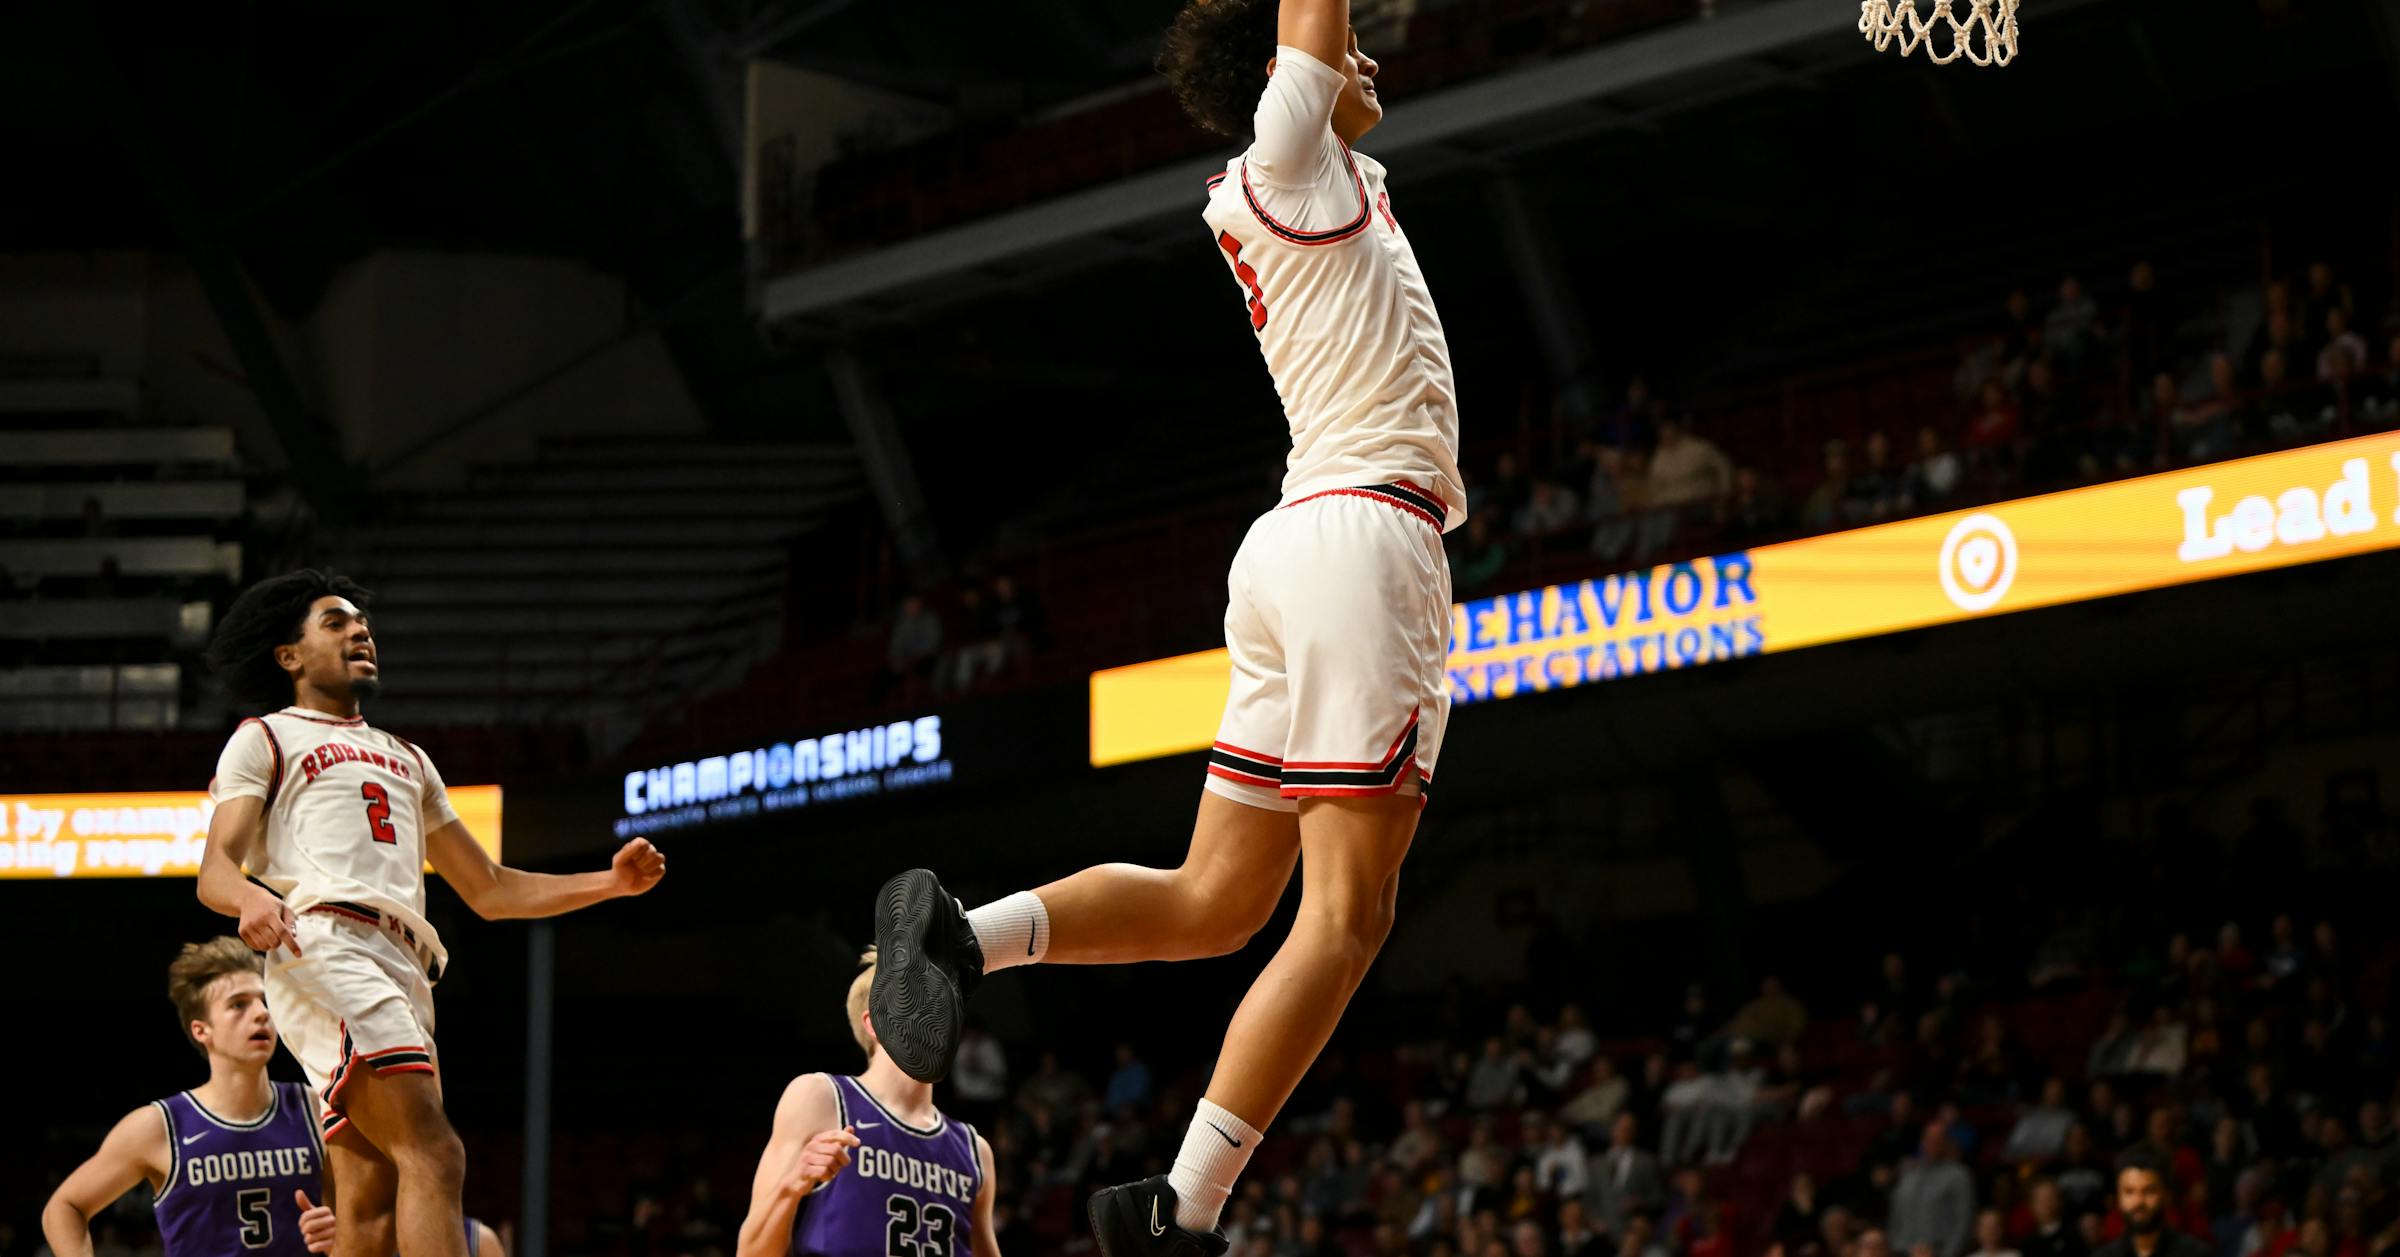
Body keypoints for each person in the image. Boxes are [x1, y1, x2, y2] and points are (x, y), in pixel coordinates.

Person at [864, 0, 1468, 1253]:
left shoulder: (1311, 180)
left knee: (1215, 901)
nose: (1366, 54)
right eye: (1345, 43)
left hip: (1295, 543)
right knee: (1347, 917)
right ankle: (1181, 1213)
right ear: (1284, 74)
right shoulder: (1289, 161)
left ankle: (961, 941)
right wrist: (1311, 40)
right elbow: (1310, 31)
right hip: (1365, 541)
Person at [194, 570, 667, 1257]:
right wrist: (249, 897)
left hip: (403, 963)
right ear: (288, 655)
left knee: (369, 1202)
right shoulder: (265, 736)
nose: (360, 631)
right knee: (437, 1153)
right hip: (327, 941)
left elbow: (491, 889)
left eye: (363, 623)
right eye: (335, 622)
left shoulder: (410, 759)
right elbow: (214, 870)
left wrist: (612, 883)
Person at [42, 938, 340, 1257]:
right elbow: (64, 1207)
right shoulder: (160, 1126)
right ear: (201, 1030)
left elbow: (358, 1217)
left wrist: (340, 1233)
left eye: (264, 1000)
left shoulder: (315, 1108)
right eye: (239, 1005)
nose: (261, 1013)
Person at [734, 949, 998, 1257]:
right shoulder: (820, 1098)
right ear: (876, 1024)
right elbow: (750, 1252)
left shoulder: (975, 1151)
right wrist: (792, 1185)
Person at [2087, 1151, 2210, 1257]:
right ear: (2118, 1197)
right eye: (2129, 1191)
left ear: (2167, 1196)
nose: (2138, 1201)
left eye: (2149, 1191)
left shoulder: (2196, 1253)